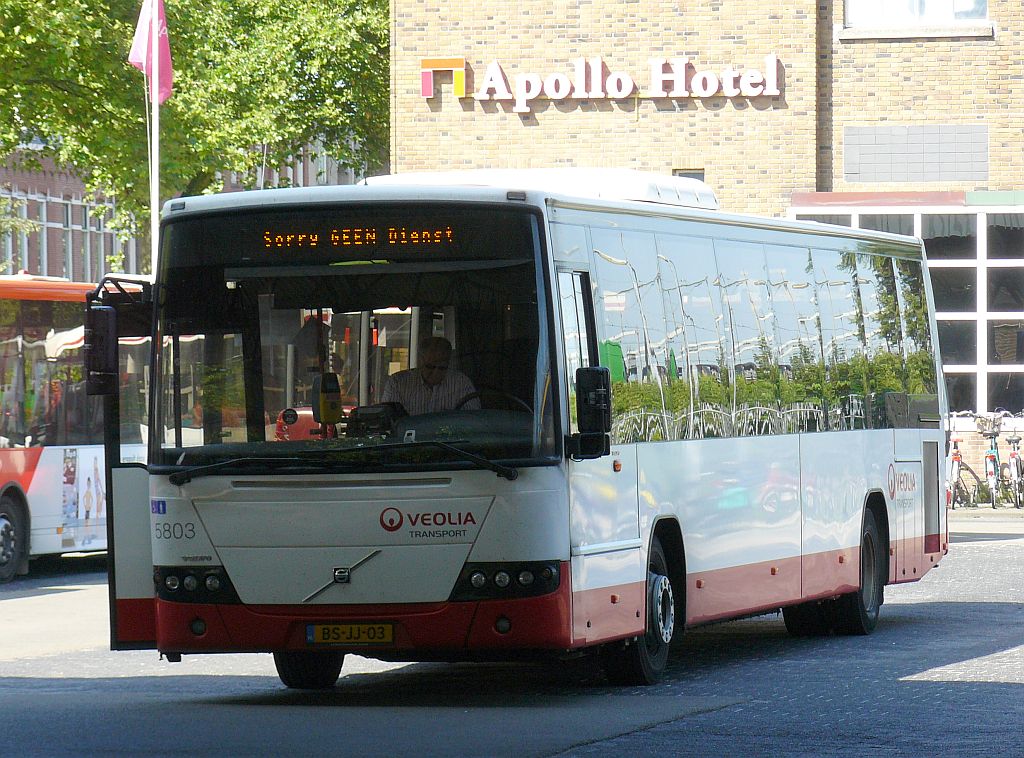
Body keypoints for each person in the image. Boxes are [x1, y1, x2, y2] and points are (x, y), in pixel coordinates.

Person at [380, 337, 480, 415]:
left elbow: (472, 419)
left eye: (442, 368)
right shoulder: (397, 383)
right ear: (420, 361)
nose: (435, 373)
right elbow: (389, 419)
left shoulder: (462, 383)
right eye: (430, 367)